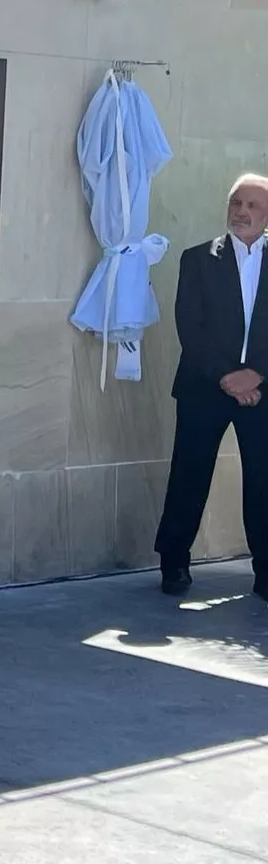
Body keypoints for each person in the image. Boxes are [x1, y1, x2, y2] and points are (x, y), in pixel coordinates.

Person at [155, 172, 268, 598]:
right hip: (205, 386)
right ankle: (174, 563)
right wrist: (227, 376)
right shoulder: (198, 259)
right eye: (236, 203)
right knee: (189, 473)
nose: (242, 212)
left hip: (263, 389)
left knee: (264, 480)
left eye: (253, 205)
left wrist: (256, 373)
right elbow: (191, 326)